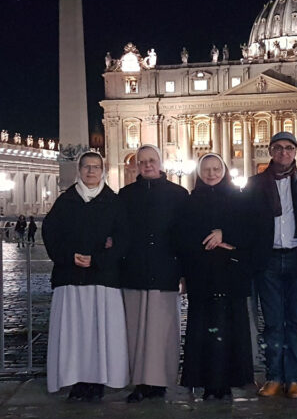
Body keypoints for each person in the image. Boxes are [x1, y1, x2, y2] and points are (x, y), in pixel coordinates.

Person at [42, 151, 129, 402]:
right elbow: (50, 234)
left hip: (103, 278)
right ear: (79, 170)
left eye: (96, 167)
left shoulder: (114, 202)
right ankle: (77, 380)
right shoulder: (65, 201)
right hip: (70, 276)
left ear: (103, 171)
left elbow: (124, 239)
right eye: (86, 167)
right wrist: (69, 256)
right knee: (74, 334)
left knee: (99, 333)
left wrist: (98, 260)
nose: (91, 171)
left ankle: (98, 380)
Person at [175, 153, 259, 400]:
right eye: (206, 169)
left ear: (224, 171)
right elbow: (182, 236)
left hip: (230, 273)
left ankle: (228, 382)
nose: (211, 174)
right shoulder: (190, 201)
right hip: (201, 274)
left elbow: (250, 230)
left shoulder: (239, 199)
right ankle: (207, 382)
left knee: (230, 327)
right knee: (203, 328)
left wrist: (225, 234)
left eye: (216, 169)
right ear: (199, 173)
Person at [246, 131, 297, 399]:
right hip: (267, 260)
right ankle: (274, 376)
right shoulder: (255, 184)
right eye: (278, 147)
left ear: (295, 152)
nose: (283, 152)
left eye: (288, 147)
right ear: (270, 151)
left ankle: (294, 378)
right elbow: (247, 220)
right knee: (273, 321)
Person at [117, 145, 189, 403]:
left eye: (152, 160)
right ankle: (140, 382)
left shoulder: (179, 195)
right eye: (142, 161)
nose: (147, 165)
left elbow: (185, 236)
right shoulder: (125, 195)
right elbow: (119, 232)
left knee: (163, 330)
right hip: (135, 269)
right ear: (136, 165)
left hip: (165, 269)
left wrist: (184, 272)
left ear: (160, 163)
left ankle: (159, 382)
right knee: (135, 329)